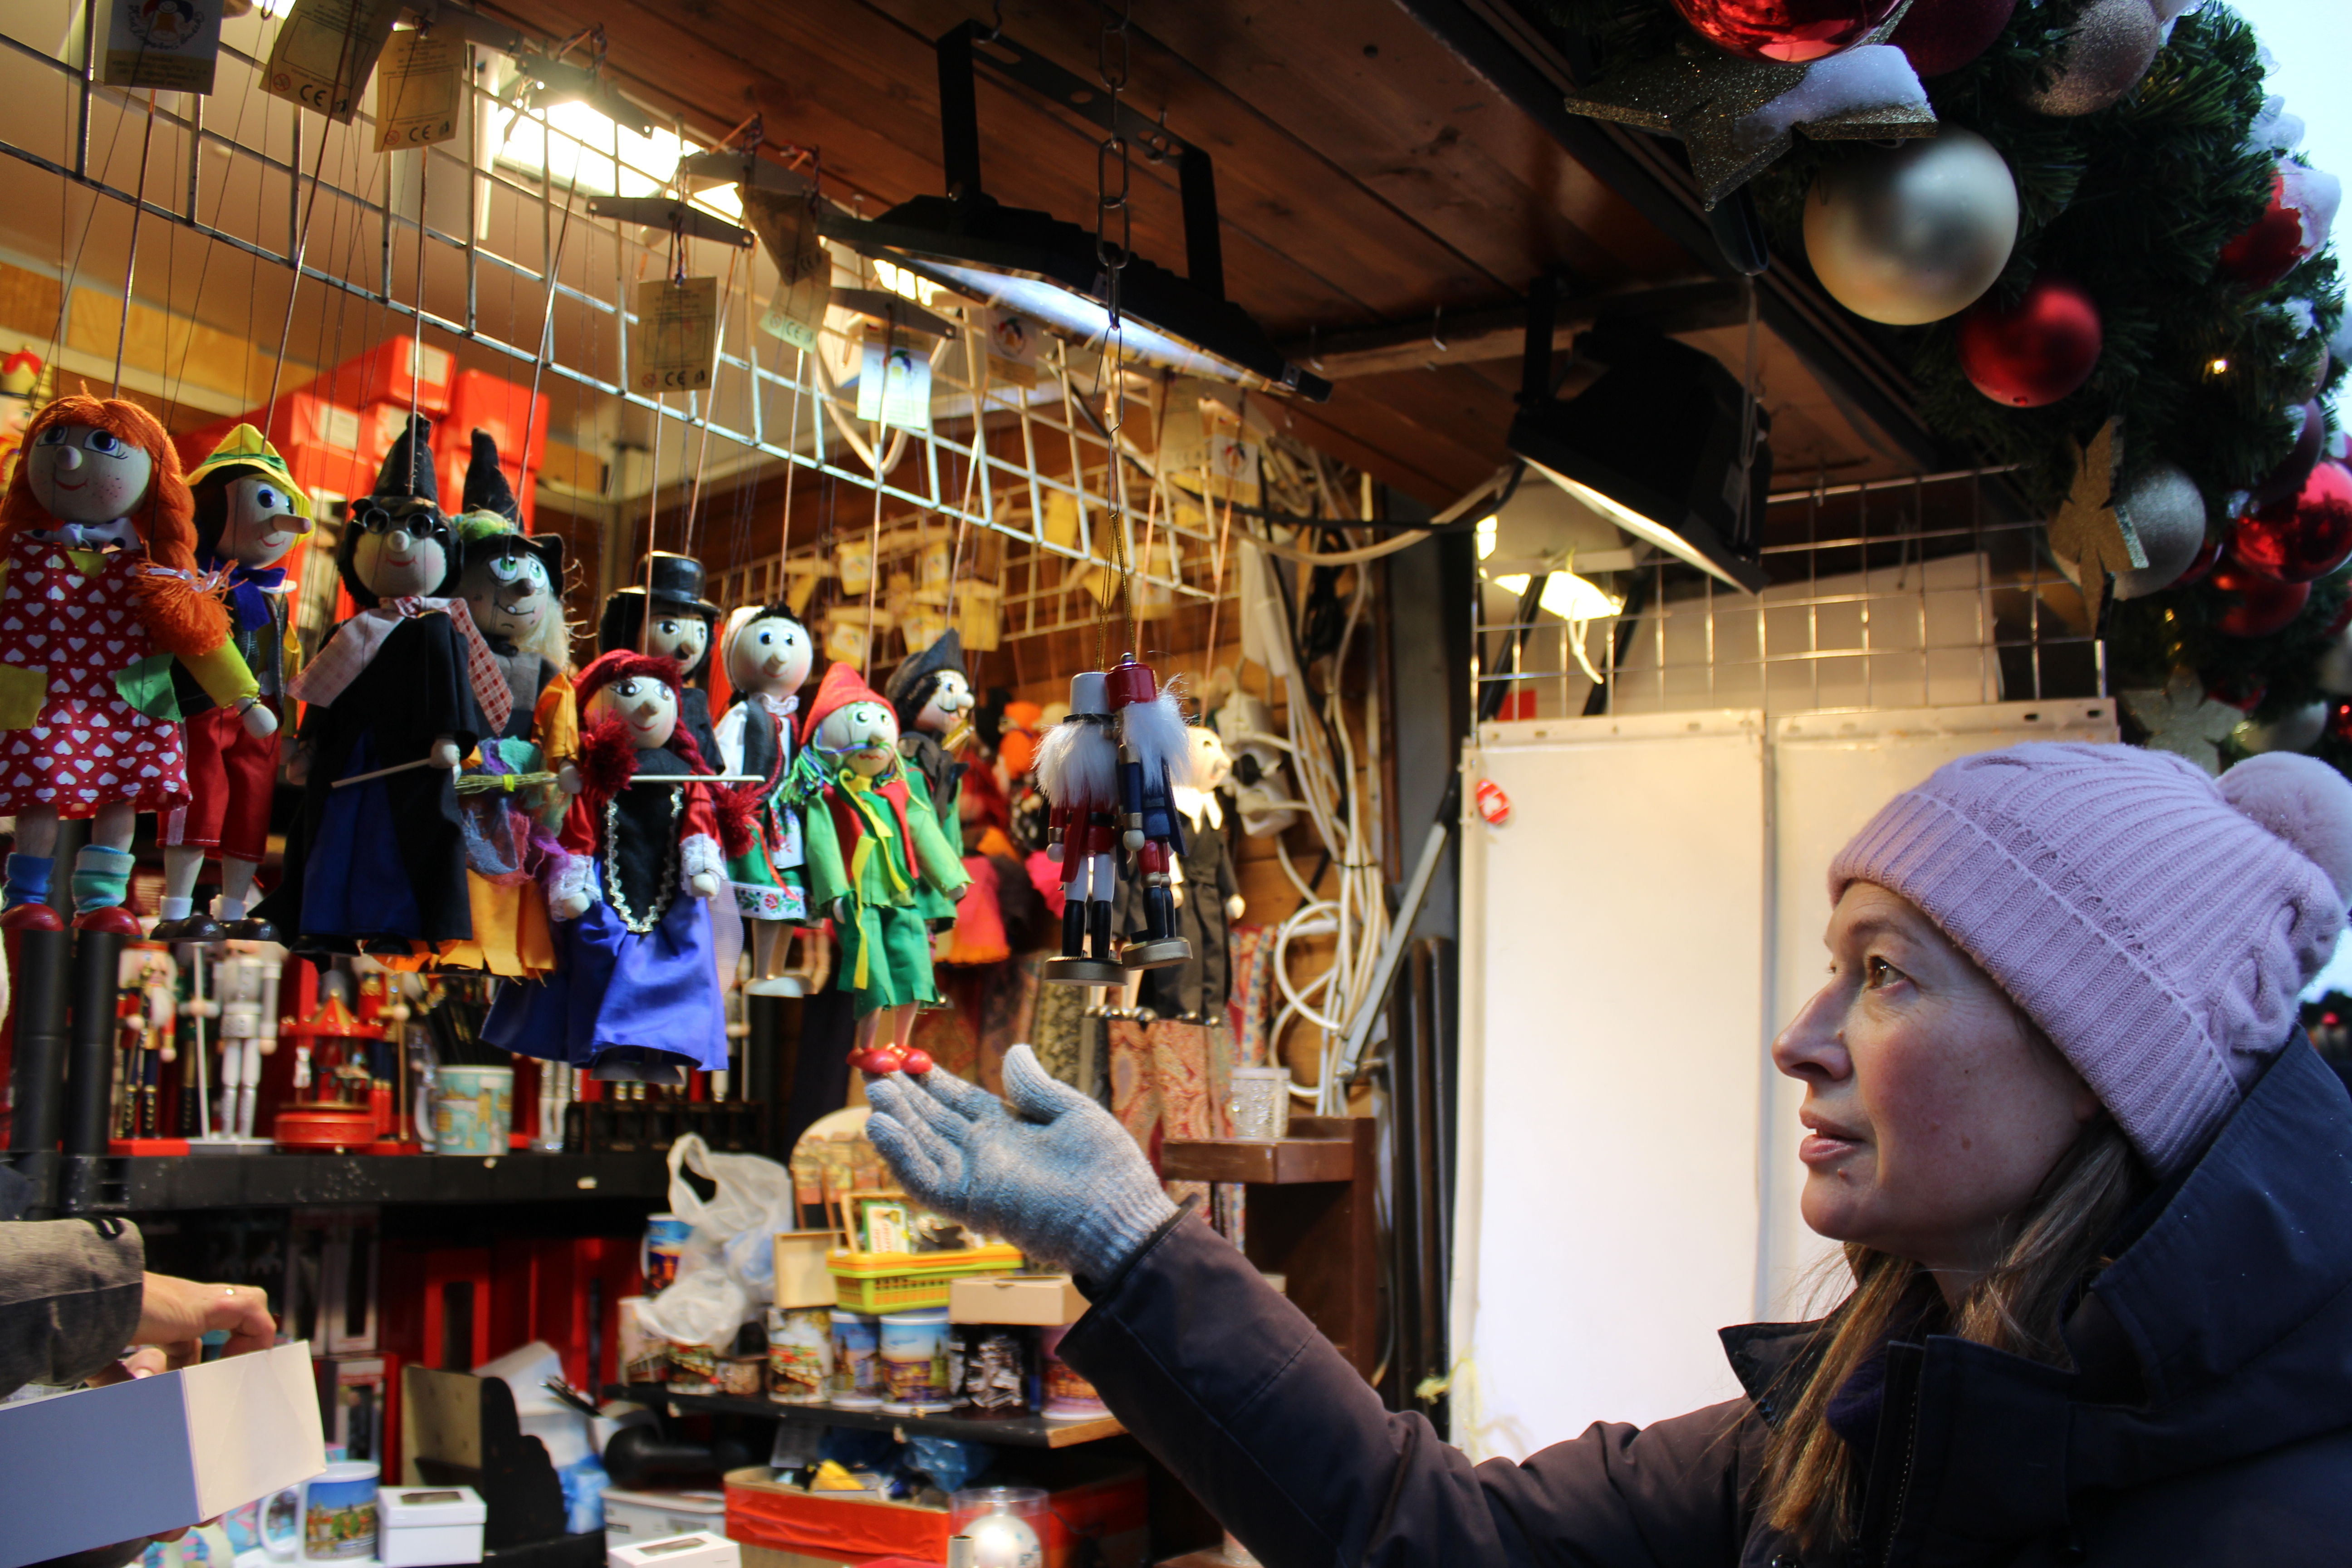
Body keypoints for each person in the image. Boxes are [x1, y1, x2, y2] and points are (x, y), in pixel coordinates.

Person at [864, 743, 2352, 1564]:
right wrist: (1134, 1239)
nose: (1802, 1034)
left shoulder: (2281, 1517)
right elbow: (1433, 1533)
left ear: (2102, 1067)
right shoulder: (1866, 1412)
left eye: (1886, 974)